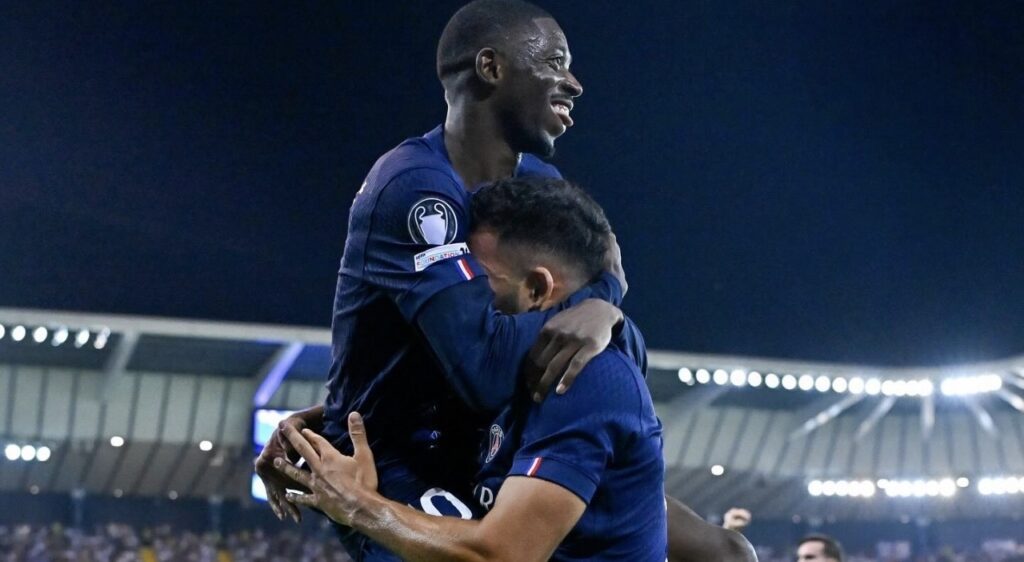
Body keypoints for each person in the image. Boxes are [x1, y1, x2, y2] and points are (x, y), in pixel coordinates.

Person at [255, 1, 625, 559]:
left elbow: (609, 265)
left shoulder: (542, 185)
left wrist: (605, 305)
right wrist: (601, 304)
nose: (573, 83)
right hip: (394, 464)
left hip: (489, 445)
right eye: (555, 62)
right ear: (491, 67)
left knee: (718, 547)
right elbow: (485, 370)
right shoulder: (413, 189)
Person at [275, 177, 666, 561]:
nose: (466, 298)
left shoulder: (587, 381)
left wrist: (358, 505)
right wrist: (327, 421)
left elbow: (503, 555)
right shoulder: (514, 368)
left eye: (480, 282)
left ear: (536, 288)